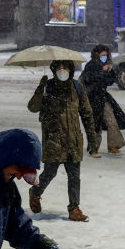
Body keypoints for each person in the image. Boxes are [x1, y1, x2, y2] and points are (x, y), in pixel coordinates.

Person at [26, 61, 101, 222]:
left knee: (74, 176)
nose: (62, 70)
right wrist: (40, 89)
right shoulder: (48, 87)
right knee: (50, 172)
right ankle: (36, 192)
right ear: (54, 70)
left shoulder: (77, 87)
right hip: (54, 140)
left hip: (73, 140)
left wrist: (92, 139)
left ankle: (74, 208)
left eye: (65, 67)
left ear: (70, 70)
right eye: (59, 67)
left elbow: (87, 114)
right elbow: (32, 107)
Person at [80, 45, 125, 156]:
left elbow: (110, 81)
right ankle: (93, 148)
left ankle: (114, 145)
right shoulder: (91, 65)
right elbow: (90, 79)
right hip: (92, 98)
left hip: (103, 97)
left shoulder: (105, 65)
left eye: (106, 55)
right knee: (95, 124)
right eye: (103, 54)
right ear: (97, 54)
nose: (105, 57)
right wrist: (102, 71)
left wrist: (109, 71)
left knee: (112, 120)